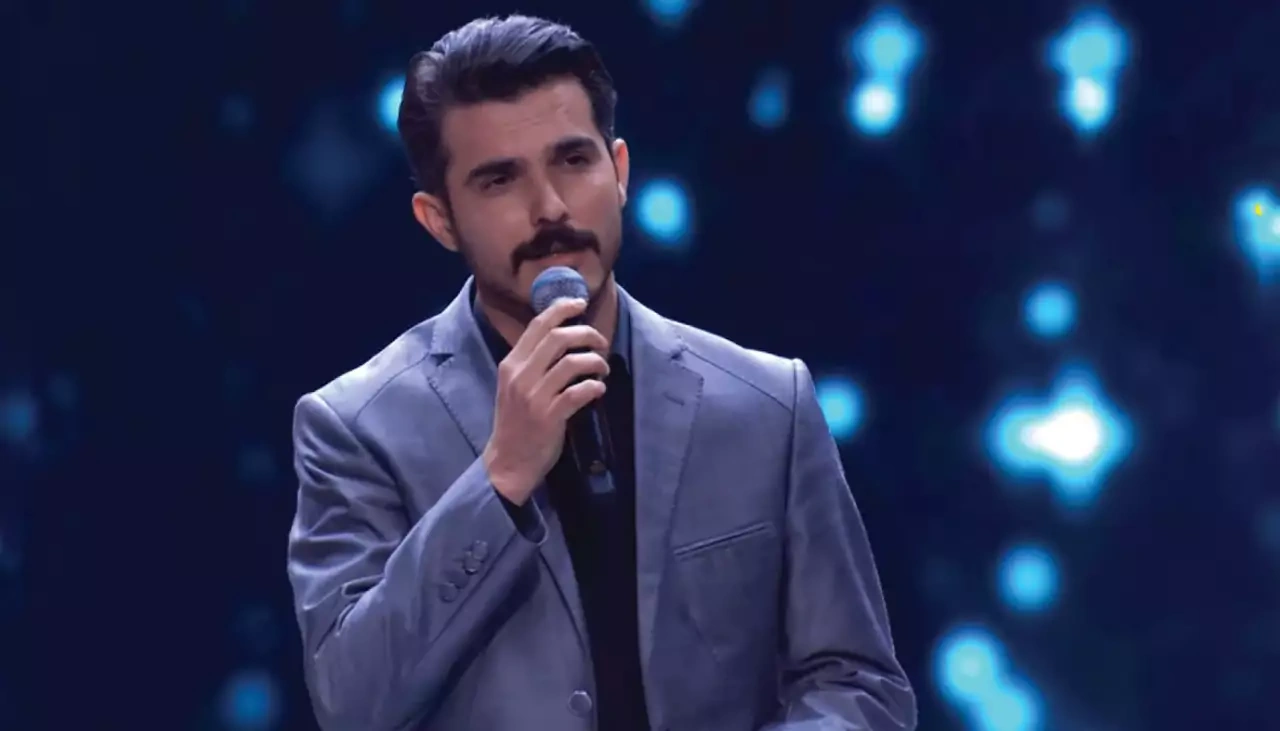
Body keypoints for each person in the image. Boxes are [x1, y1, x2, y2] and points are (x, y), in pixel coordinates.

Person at [286, 14, 916, 731]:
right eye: (500, 180)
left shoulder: (768, 405)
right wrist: (500, 477)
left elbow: (857, 684)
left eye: (572, 161)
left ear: (618, 171)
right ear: (440, 220)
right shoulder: (355, 429)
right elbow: (352, 704)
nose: (550, 208)